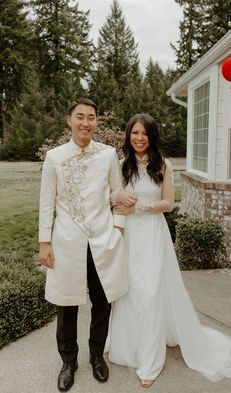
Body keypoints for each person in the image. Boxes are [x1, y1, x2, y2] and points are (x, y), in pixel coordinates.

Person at [108, 113, 231, 388]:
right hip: (128, 236)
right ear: (128, 136)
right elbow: (110, 196)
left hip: (153, 234)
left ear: (152, 137)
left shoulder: (162, 165)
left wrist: (138, 206)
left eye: (145, 134)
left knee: (152, 290)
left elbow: (168, 204)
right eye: (134, 133)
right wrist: (117, 200)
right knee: (130, 289)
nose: (139, 139)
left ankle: (150, 360)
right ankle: (127, 346)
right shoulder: (121, 166)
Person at [39, 98, 129, 392]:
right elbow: (46, 203)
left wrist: (118, 229)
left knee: (102, 301)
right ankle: (68, 361)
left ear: (97, 121)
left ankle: (96, 355)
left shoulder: (107, 154)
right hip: (66, 241)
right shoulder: (54, 157)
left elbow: (118, 193)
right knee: (66, 305)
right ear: (69, 120)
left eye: (92, 117)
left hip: (103, 239)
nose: (86, 123)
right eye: (80, 117)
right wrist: (44, 242)